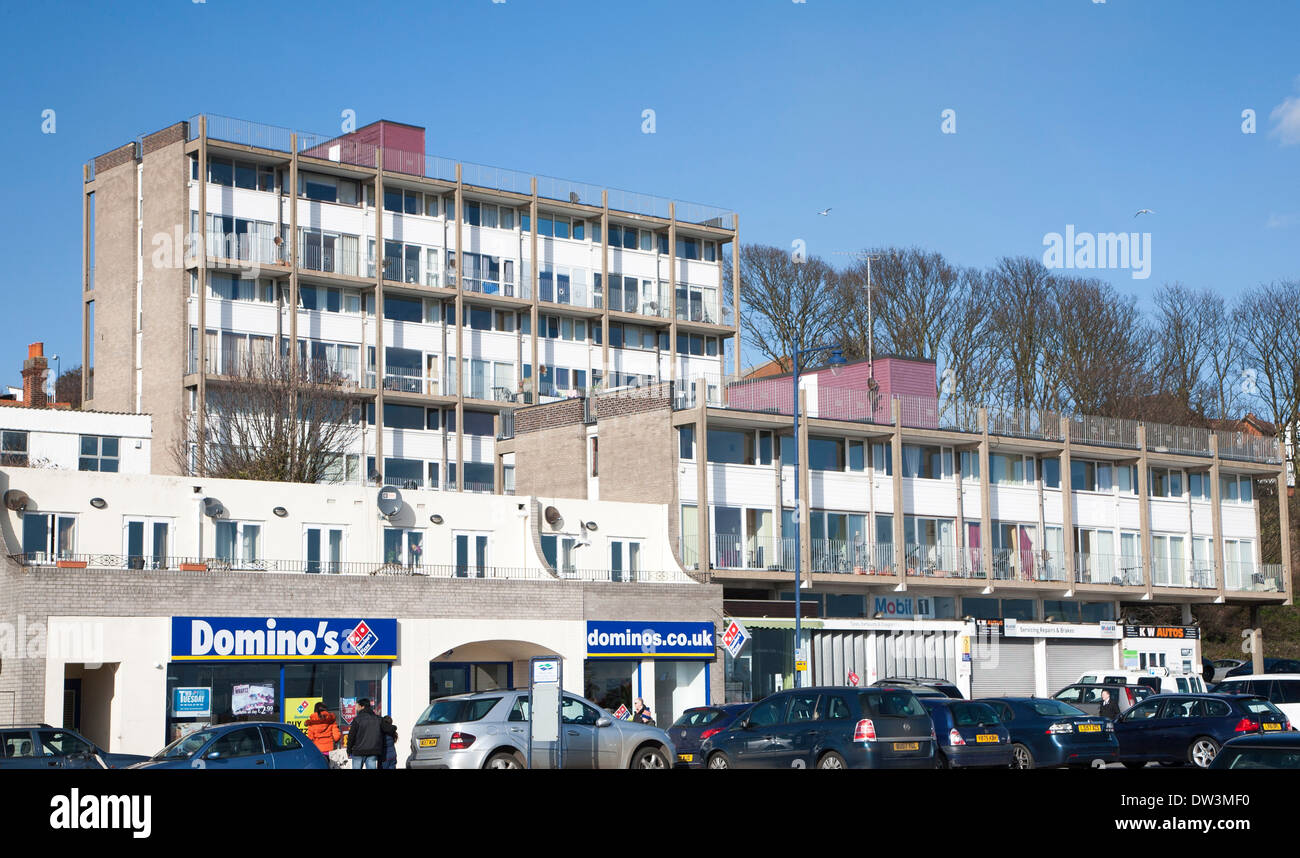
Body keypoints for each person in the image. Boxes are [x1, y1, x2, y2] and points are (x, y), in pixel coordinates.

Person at [346, 698, 384, 769]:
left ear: (362, 706)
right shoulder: (378, 719)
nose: (356, 708)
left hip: (358, 751)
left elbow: (351, 736)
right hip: (372, 751)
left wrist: (348, 750)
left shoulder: (357, 719)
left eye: (357, 706)